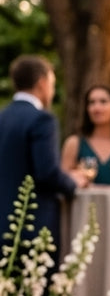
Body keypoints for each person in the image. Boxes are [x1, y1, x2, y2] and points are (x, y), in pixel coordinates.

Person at [0, 55, 87, 253]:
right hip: (31, 228)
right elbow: (47, 173)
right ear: (42, 83)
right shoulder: (42, 120)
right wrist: (73, 182)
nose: (52, 91)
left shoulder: (2, 117)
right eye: (53, 84)